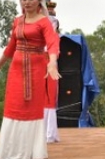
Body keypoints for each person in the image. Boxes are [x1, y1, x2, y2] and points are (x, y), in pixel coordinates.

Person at [0, 0, 61, 159]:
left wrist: (52, 61)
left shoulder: (44, 21)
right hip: (16, 71)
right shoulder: (17, 21)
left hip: (35, 71)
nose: (27, 2)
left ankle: (30, 152)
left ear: (39, 0)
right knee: (13, 107)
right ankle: (10, 151)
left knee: (31, 110)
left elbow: (52, 43)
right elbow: (10, 47)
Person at [44, 15, 61, 143]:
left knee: (49, 99)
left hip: (50, 67)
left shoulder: (54, 37)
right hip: (39, 67)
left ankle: (49, 133)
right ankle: (45, 133)